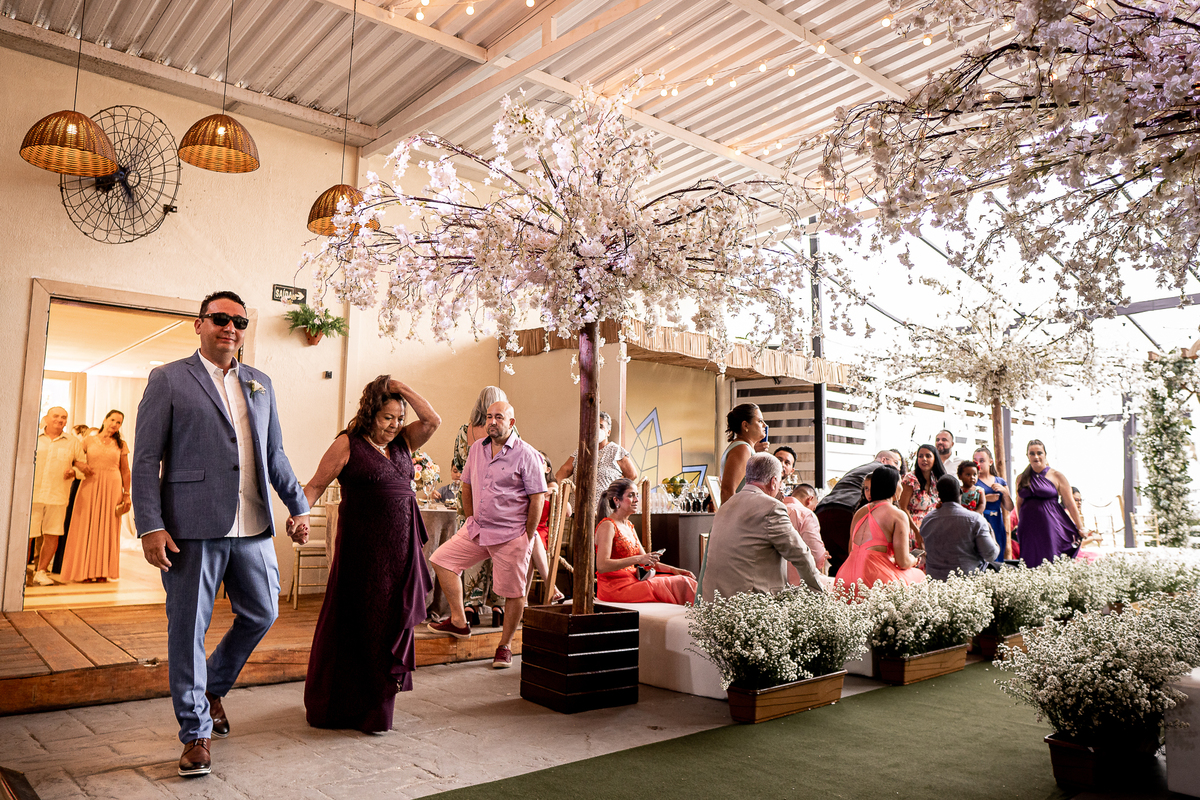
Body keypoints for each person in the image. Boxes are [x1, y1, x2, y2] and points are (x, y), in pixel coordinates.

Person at [132, 290, 310, 779]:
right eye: (220, 318)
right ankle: (195, 733)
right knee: (188, 627)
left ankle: (211, 687)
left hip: (252, 524)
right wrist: (151, 524)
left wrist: (298, 506)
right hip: (190, 527)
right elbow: (146, 459)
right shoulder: (169, 379)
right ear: (200, 324)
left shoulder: (260, 382)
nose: (231, 327)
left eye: (240, 321)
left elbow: (274, 454)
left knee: (264, 610)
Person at [302, 376, 440, 733]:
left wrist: (402, 389)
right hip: (362, 554)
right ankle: (341, 706)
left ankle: (376, 710)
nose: (394, 425)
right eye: (387, 417)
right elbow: (315, 485)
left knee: (390, 624)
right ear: (370, 413)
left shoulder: (404, 442)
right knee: (360, 624)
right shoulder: (348, 444)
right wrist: (299, 516)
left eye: (399, 418)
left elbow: (432, 420)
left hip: (400, 555)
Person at [428, 401, 550, 669]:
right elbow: (466, 485)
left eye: (499, 417)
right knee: (441, 560)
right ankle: (459, 621)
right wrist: (471, 518)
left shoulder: (527, 454)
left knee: (514, 592)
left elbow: (537, 499)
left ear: (511, 422)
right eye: (489, 417)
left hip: (511, 534)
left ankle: (504, 646)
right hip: (478, 529)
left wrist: (527, 536)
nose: (492, 422)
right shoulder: (476, 449)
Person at [699, 453, 824, 601]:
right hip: (749, 605)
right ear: (773, 482)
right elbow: (800, 554)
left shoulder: (726, 506)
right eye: (780, 483)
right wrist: (819, 593)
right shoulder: (771, 507)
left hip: (713, 602)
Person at [452, 386, 508, 627]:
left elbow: (456, 468)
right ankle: (498, 606)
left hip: (469, 498)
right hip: (498, 499)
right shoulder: (507, 430)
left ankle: (470, 606)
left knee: (471, 550)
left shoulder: (463, 432)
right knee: (499, 552)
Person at [595, 479, 696, 604]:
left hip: (632, 581)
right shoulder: (607, 526)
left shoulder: (629, 525)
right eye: (631, 495)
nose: (636, 500)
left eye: (636, 495)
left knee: (683, 579)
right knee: (681, 583)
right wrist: (638, 559)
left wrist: (674, 570)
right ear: (616, 500)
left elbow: (646, 562)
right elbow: (602, 566)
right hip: (615, 588)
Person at [61, 410, 131, 583]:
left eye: (119, 422)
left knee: (107, 526)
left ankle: (102, 571)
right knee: (85, 524)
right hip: (90, 483)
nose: (115, 424)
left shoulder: (121, 444)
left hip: (112, 486)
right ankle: (83, 571)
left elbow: (125, 470)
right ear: (105, 420)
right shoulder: (88, 440)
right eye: (112, 420)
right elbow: (74, 458)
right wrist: (79, 466)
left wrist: (127, 494)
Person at [834, 466, 925, 590]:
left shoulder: (859, 512)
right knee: (919, 576)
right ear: (893, 486)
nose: (902, 487)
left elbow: (852, 550)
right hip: (874, 577)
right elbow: (903, 562)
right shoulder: (898, 515)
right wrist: (914, 559)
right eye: (900, 482)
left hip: (845, 577)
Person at [813, 450, 901, 574]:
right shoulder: (880, 471)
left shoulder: (858, 469)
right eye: (896, 463)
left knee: (839, 563)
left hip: (822, 511)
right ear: (884, 460)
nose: (898, 469)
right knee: (854, 564)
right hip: (845, 511)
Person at [28, 407, 86, 586]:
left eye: (64, 417)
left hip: (58, 495)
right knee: (27, 535)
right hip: (32, 495)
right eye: (56, 416)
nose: (60, 420)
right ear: (46, 418)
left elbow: (83, 468)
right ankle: (18, 571)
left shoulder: (72, 442)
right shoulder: (33, 437)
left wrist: (74, 472)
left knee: (52, 534)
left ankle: (41, 572)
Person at [1015, 440, 1083, 567]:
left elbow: (1070, 503)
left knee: (1050, 558)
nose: (1036, 457)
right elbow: (1019, 503)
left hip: (1050, 527)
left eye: (1039, 453)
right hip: (1028, 528)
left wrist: (1080, 527)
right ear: (1027, 456)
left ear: (1045, 454)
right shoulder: (1021, 478)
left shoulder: (1057, 476)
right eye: (1032, 453)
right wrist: (1021, 524)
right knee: (1029, 561)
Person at [919, 475, 1000, 580]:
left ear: (939, 495)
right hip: (969, 580)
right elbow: (990, 555)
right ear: (960, 492)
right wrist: (991, 532)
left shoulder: (927, 520)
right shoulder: (975, 520)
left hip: (936, 581)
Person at [555, 411, 638, 511]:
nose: (596, 430)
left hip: (605, 510)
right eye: (593, 426)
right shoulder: (581, 451)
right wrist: (558, 492)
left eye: (600, 426)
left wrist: (616, 488)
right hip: (579, 509)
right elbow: (563, 472)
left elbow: (632, 475)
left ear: (608, 432)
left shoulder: (616, 451)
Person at [719, 404, 770, 504]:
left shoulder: (745, 448)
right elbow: (727, 491)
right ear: (745, 425)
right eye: (760, 421)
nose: (765, 425)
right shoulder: (742, 449)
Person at [973, 446, 1013, 560]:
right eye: (975, 461)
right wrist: (985, 498)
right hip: (980, 520)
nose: (978, 464)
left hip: (997, 521)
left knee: (998, 553)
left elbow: (1009, 507)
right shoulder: (973, 481)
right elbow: (967, 505)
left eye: (982, 460)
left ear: (990, 462)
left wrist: (1005, 492)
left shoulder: (1000, 481)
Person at [899, 444, 945, 537]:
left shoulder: (937, 479)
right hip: (913, 528)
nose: (924, 459)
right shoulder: (910, 478)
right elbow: (902, 507)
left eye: (928, 456)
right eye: (920, 456)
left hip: (934, 526)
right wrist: (916, 531)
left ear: (935, 459)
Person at [784, 484, 827, 575]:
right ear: (809, 499)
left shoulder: (774, 508)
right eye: (814, 508)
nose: (813, 510)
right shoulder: (806, 514)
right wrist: (823, 556)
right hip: (797, 576)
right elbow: (816, 556)